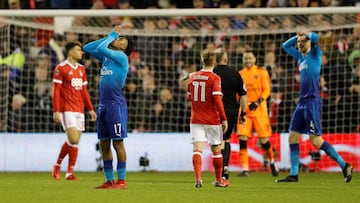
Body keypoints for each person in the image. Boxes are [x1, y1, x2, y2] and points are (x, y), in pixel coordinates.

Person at [276, 31, 354, 183]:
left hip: (312, 102)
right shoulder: (300, 58)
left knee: (316, 141)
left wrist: (307, 34)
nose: (299, 44)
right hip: (301, 103)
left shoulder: (315, 54)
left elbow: (315, 37)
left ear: (309, 43)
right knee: (293, 136)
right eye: (298, 43)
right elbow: (285, 46)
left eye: (302, 42)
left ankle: (345, 165)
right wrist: (297, 36)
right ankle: (294, 174)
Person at [83, 25, 133, 189]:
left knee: (118, 143)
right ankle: (109, 180)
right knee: (104, 145)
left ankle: (122, 181)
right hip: (103, 105)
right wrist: (110, 36)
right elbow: (88, 48)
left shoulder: (121, 57)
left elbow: (101, 47)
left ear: (125, 48)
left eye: (121, 40)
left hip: (115, 106)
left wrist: (111, 36)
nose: (118, 40)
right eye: (118, 38)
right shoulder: (107, 58)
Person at [51, 41, 97, 180]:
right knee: (74, 139)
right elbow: (57, 91)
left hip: (79, 109)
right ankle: (58, 165)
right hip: (67, 109)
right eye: (78, 50)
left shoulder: (81, 69)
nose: (81, 52)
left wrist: (90, 108)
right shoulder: (61, 68)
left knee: (74, 142)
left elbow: (83, 90)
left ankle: (69, 173)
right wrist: (56, 110)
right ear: (70, 52)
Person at [187, 49, 228, 188]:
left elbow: (189, 97)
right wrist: (224, 118)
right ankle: (218, 180)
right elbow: (217, 99)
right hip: (212, 119)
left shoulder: (192, 77)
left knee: (197, 150)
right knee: (216, 149)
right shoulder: (215, 78)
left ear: (201, 60)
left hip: (196, 118)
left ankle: (198, 179)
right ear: (215, 62)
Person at [236, 50, 279, 177]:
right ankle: (245, 169)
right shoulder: (240, 74)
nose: (248, 60)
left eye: (250, 58)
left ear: (254, 59)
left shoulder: (261, 72)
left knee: (264, 140)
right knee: (242, 139)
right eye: (245, 58)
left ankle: (272, 161)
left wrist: (258, 101)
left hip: (260, 111)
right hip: (244, 112)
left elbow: (267, 90)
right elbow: (238, 94)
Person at [213, 48, 247, 185]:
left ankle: (220, 171)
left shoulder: (212, 73)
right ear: (226, 59)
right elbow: (243, 95)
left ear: (215, 60)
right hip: (232, 111)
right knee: (226, 140)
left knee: (217, 142)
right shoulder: (235, 73)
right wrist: (243, 113)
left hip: (215, 112)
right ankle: (225, 167)